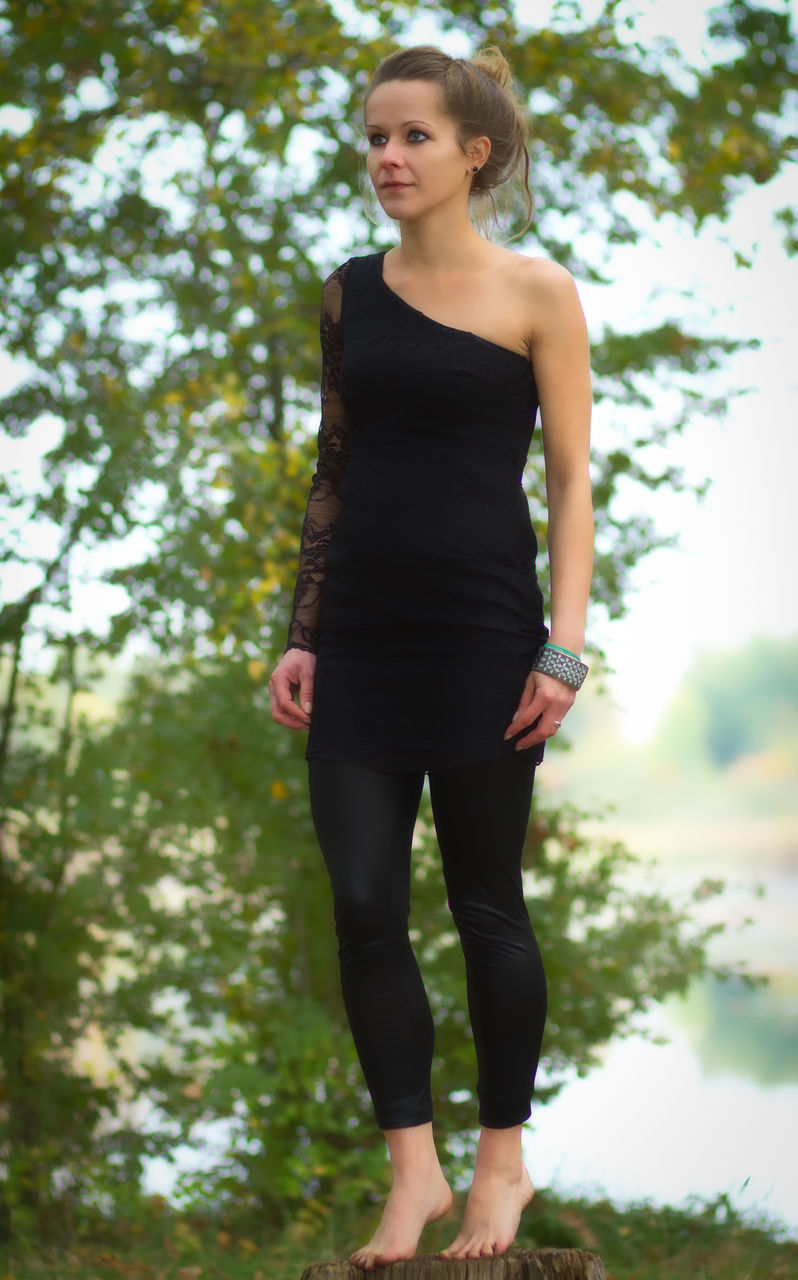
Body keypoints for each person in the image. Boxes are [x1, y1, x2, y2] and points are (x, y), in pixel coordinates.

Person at [269, 43, 593, 1270]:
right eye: (372, 138)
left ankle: (501, 1158)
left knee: (484, 904)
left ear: (476, 152)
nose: (385, 158)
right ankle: (414, 1169)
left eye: (410, 136)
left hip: (482, 635)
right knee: (362, 905)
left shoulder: (536, 292)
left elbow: (568, 480)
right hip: (358, 636)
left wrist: (562, 648)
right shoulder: (351, 290)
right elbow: (334, 469)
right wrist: (302, 634)